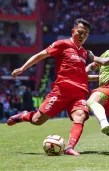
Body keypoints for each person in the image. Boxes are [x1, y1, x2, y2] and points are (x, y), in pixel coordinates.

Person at [7, 18, 91, 156]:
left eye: (86, 34)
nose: (83, 36)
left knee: (80, 116)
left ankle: (69, 147)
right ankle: (23, 116)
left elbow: (81, 75)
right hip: (61, 91)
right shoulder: (62, 44)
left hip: (79, 93)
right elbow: (40, 56)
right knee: (37, 120)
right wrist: (23, 68)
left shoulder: (84, 53)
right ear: (73, 31)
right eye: (80, 32)